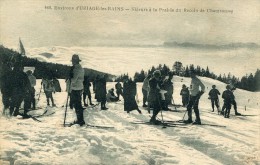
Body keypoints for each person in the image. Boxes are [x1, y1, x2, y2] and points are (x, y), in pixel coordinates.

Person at [69, 54, 85, 126]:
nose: (72, 62)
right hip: (80, 87)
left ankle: (80, 120)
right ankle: (80, 119)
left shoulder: (76, 69)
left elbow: (73, 80)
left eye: (73, 61)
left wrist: (70, 76)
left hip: (75, 88)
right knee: (78, 104)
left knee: (77, 105)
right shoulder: (81, 68)